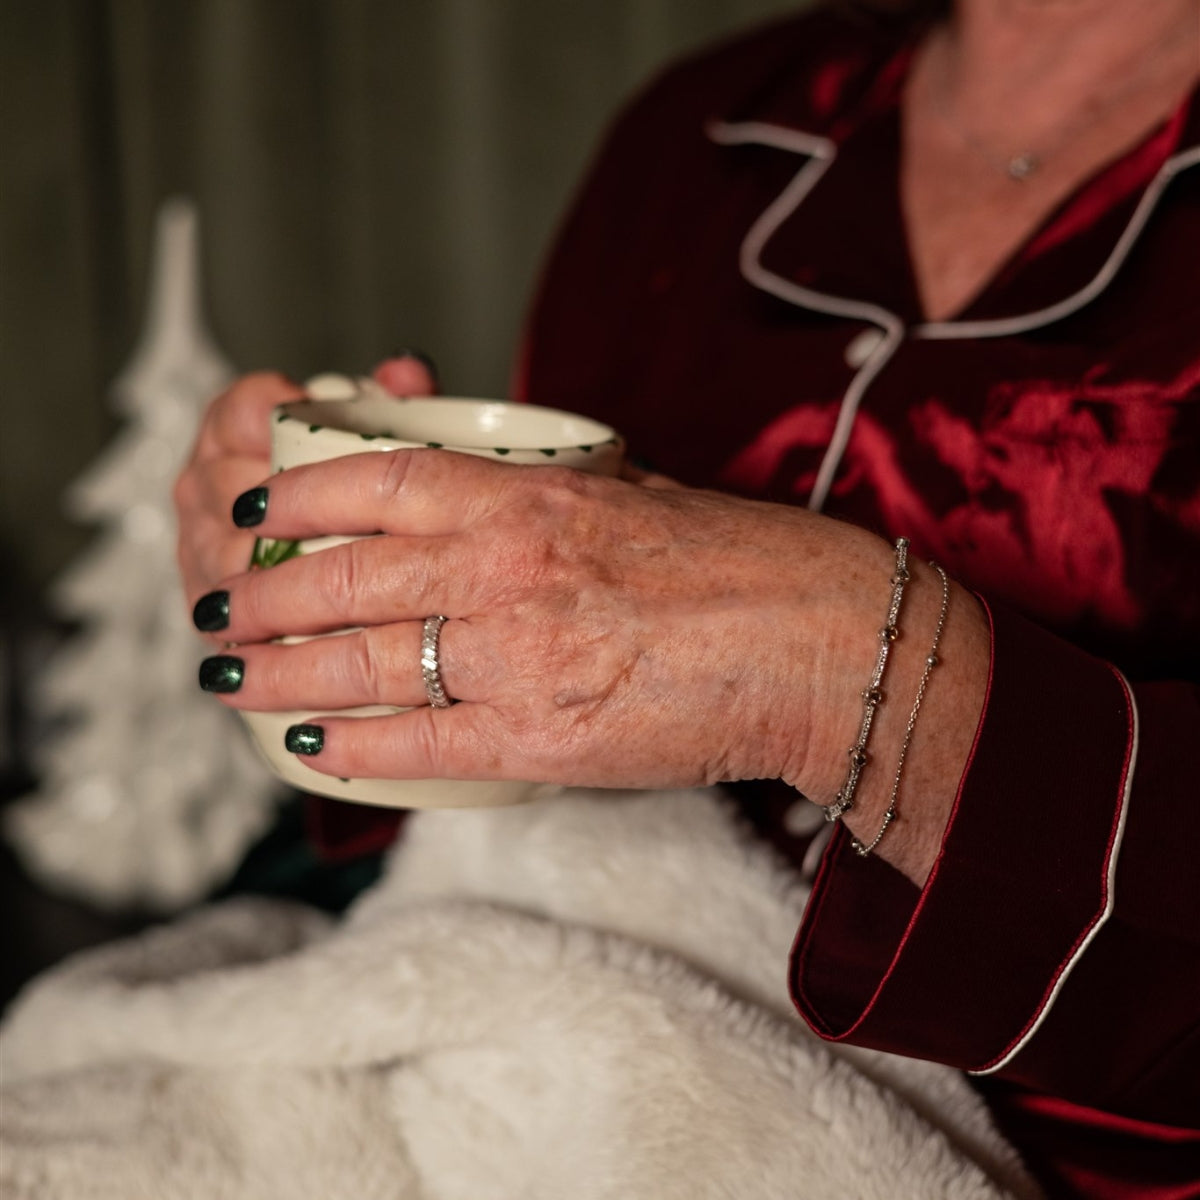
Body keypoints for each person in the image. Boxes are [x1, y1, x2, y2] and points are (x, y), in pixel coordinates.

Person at [175, 0, 1200, 1194]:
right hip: (530, 1054)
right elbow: (517, 782)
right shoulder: (706, 129)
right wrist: (351, 599)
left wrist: (840, 671)